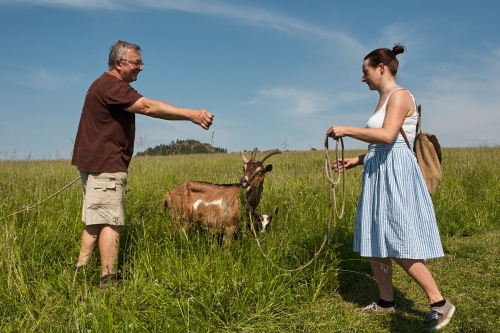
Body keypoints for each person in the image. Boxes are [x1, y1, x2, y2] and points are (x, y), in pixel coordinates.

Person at [326, 44, 455, 331]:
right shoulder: (384, 98)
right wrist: (356, 161)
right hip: (378, 172)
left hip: (395, 175)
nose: (363, 78)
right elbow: (382, 144)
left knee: (398, 238)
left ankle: (440, 303)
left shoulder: (399, 96)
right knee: (375, 238)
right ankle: (386, 302)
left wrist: (346, 129)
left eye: (365, 71)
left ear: (381, 67)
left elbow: (386, 136)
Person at [71, 40, 214, 289]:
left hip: (94, 163)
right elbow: (148, 107)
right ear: (118, 63)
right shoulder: (113, 86)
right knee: (111, 221)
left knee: (95, 219)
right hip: (106, 165)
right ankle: (109, 281)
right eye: (136, 63)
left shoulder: (102, 84)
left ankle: (78, 272)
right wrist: (191, 114)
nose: (140, 68)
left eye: (141, 63)